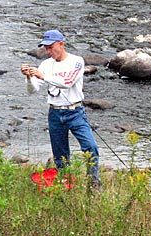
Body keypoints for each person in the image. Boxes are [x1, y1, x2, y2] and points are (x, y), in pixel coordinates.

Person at [20, 29, 101, 189]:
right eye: (46, 48)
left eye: (51, 47)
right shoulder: (45, 64)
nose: (48, 51)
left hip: (75, 112)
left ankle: (93, 183)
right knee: (60, 155)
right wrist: (29, 77)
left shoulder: (77, 61)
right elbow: (32, 90)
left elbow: (68, 82)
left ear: (61, 44)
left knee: (90, 146)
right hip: (55, 113)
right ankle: (65, 184)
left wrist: (43, 76)